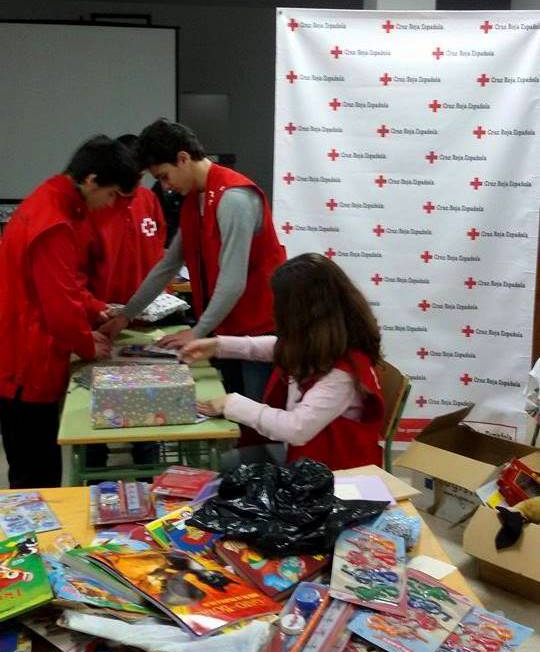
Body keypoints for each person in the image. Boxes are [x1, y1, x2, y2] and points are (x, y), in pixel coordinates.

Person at [101, 119, 285, 402]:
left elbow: (233, 281)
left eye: (164, 176)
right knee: (230, 410)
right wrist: (127, 314)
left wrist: (197, 331)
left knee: (256, 421)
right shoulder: (194, 200)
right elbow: (167, 265)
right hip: (224, 330)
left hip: (256, 332)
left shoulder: (233, 198)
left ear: (183, 158)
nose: (167, 187)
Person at [0, 136, 140, 488]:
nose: (109, 205)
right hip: (27, 366)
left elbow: (66, 285)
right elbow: (59, 308)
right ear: (90, 180)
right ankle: (31, 544)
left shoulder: (52, 204)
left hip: (27, 356)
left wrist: (95, 309)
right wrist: (89, 345)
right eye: (110, 195)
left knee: (36, 465)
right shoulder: (54, 222)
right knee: (37, 476)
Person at [182, 253, 385, 471]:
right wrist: (217, 346)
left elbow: (296, 429)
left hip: (332, 477)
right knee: (218, 467)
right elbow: (274, 347)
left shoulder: (342, 375)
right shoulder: (327, 343)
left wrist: (231, 403)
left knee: (219, 471)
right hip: (309, 461)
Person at [80, 134, 167, 468]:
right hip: (102, 320)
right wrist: (96, 311)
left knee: (149, 408)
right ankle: (95, 469)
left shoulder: (148, 200)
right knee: (95, 409)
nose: (137, 183)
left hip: (144, 320)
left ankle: (148, 476)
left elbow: (159, 248)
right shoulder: (97, 206)